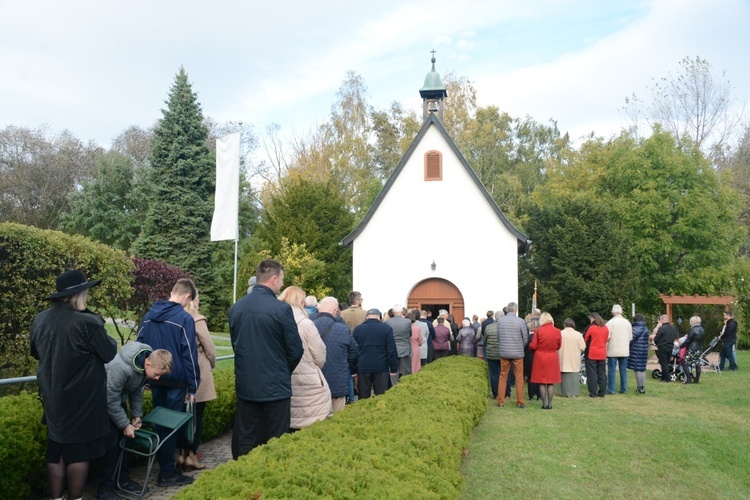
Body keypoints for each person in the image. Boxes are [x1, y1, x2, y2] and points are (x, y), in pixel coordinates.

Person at [30, 270, 118, 500]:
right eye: (86, 292)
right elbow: (109, 352)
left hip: (52, 398)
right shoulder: (87, 322)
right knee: (79, 454)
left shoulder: (40, 319)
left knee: (57, 452)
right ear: (78, 294)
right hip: (81, 401)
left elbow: (36, 352)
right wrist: (94, 319)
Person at [230, 259, 303, 459]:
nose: (281, 284)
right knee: (277, 440)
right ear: (273, 278)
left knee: (247, 437)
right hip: (275, 388)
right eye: (281, 279)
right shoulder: (281, 309)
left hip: (247, 384)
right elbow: (295, 349)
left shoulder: (237, 308)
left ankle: (244, 479)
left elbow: (236, 344)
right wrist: (280, 370)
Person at [135, 278, 200, 486]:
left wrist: (144, 376)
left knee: (160, 426)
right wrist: (193, 385)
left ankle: (165, 470)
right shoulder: (184, 319)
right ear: (187, 297)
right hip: (176, 381)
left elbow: (140, 347)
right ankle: (167, 474)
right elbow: (189, 354)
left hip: (155, 380)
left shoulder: (149, 315)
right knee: (171, 428)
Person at [98, 344, 172, 499]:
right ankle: (105, 487)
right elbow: (109, 399)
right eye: (157, 374)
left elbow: (136, 391)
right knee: (110, 445)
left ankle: (122, 479)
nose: (157, 379)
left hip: (117, 401)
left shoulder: (144, 368)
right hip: (102, 403)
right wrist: (125, 424)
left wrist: (136, 416)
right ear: (148, 363)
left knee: (125, 441)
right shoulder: (121, 367)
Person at [279, 286, 332, 430]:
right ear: (301, 301)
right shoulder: (306, 324)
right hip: (308, 381)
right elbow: (320, 355)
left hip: (283, 379)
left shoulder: (275, 320)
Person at [178, 291, 217, 471]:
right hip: (198, 371)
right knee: (196, 417)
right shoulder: (197, 320)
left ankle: (181, 454)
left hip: (180, 372)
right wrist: (212, 364)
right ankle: (191, 455)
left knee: (182, 417)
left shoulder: (175, 317)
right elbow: (209, 347)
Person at [314, 297, 358, 413]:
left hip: (316, 381)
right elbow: (354, 353)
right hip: (338, 381)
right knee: (337, 420)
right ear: (335, 311)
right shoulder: (343, 329)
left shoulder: (309, 326)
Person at [352, 309, 399, 398]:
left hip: (363, 367)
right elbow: (391, 350)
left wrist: (353, 369)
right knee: (381, 397)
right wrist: (393, 368)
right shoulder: (386, 329)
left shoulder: (358, 329)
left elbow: (354, 351)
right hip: (381, 366)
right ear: (379, 317)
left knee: (363, 397)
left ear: (366, 317)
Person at [496, 302, 529, 409]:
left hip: (504, 352)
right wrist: (519, 346)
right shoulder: (520, 321)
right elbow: (525, 339)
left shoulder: (500, 321)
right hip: (518, 353)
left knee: (503, 376)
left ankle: (500, 401)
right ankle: (520, 402)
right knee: (519, 377)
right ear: (516, 310)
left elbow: (498, 337)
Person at [530, 312, 562, 409]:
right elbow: (558, 346)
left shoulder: (538, 331)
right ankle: (550, 403)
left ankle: (544, 404)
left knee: (542, 381)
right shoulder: (557, 331)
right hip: (552, 357)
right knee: (550, 382)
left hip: (540, 357)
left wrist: (530, 346)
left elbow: (534, 345)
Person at [606, 304, 633, 394]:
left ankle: (611, 389)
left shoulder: (610, 323)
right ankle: (624, 389)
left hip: (613, 349)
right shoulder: (627, 323)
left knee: (612, 370)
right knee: (623, 370)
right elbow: (630, 337)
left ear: (612, 312)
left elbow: (607, 337)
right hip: (624, 349)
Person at [558, 318, 586, 397]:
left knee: (564, 375)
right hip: (574, 357)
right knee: (573, 375)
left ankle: (564, 392)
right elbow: (583, 347)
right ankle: (573, 392)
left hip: (563, 356)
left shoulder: (560, 333)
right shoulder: (577, 334)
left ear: (564, 325)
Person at [584, 312, 609, 397]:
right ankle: (602, 392)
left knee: (591, 373)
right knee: (601, 373)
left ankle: (593, 393)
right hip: (602, 353)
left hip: (592, 353)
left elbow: (585, 338)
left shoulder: (591, 328)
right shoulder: (605, 328)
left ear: (593, 319)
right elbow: (606, 339)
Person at [386, 304, 412, 378]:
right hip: (405, 348)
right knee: (406, 370)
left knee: (393, 371)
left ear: (393, 312)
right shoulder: (408, 321)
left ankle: (394, 386)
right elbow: (410, 333)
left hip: (392, 348)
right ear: (402, 311)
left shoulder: (388, 322)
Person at [628, 313, 650, 393]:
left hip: (636, 350)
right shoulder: (645, 328)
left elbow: (631, 338)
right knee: (642, 369)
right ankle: (642, 386)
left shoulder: (634, 328)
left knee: (637, 369)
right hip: (644, 350)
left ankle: (639, 387)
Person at [680, 316, 705, 384]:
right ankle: (697, 380)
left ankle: (688, 380)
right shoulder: (702, 329)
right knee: (697, 364)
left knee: (684, 362)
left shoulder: (692, 330)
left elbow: (688, 340)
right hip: (699, 348)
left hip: (692, 348)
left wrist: (682, 346)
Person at [653, 315, 677, 383]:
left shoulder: (661, 328)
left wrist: (656, 342)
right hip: (670, 347)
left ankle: (667, 378)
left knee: (663, 363)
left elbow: (657, 338)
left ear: (662, 320)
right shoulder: (673, 328)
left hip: (662, 346)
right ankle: (663, 377)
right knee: (666, 362)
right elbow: (674, 337)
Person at [482, 311, 501, 398]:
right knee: (503, 374)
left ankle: (496, 393)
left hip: (491, 353)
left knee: (493, 374)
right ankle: (505, 393)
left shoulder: (488, 327)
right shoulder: (504, 327)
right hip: (502, 353)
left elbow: (485, 340)